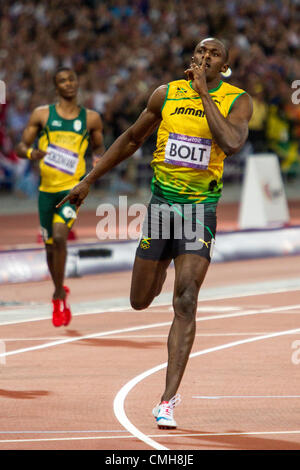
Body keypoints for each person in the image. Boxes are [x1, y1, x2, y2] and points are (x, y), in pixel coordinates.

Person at [57, 38, 253, 428]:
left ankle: (167, 400)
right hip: (161, 209)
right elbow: (131, 139)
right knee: (140, 300)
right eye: (199, 52)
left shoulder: (237, 100)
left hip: (200, 210)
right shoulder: (166, 95)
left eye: (213, 54)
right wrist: (87, 181)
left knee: (187, 300)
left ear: (225, 66)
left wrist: (204, 95)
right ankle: (162, 264)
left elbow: (231, 143)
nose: (204, 57)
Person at [16, 67, 105, 328]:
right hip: (46, 190)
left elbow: (100, 150)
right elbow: (21, 146)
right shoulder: (42, 115)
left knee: (60, 235)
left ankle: (57, 294)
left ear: (77, 83)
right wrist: (31, 154)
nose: (68, 84)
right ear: (56, 87)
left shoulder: (91, 119)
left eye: (72, 79)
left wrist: (95, 169)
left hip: (71, 189)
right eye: (62, 81)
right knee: (49, 246)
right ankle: (59, 290)